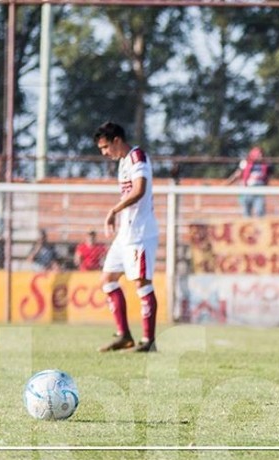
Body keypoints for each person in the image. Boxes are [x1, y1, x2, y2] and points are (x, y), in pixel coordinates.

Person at [94, 122, 160, 353]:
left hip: (140, 234)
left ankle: (148, 341)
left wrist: (114, 210)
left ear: (117, 140)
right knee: (108, 279)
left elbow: (139, 190)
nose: (104, 153)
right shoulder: (123, 162)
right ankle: (124, 335)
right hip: (125, 234)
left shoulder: (137, 157)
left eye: (105, 147)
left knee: (141, 283)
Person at [225, 146, 271, 217]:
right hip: (247, 189)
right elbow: (237, 174)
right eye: (259, 154)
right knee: (246, 211)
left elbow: (267, 177)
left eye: (261, 154)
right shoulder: (245, 163)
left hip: (259, 190)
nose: (260, 156)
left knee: (260, 210)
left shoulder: (265, 165)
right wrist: (227, 184)